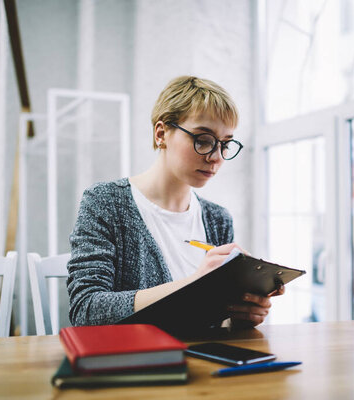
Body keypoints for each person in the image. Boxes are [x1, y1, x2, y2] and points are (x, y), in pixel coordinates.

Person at [67, 75, 284, 329]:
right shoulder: (106, 202)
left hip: (206, 362)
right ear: (161, 133)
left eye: (225, 144)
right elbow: (86, 310)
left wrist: (242, 314)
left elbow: (217, 323)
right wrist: (195, 284)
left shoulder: (218, 219)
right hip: (140, 363)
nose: (216, 157)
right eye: (203, 140)